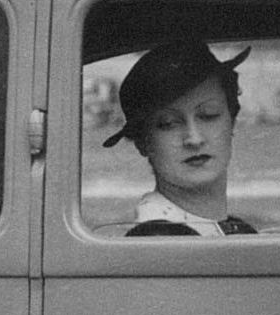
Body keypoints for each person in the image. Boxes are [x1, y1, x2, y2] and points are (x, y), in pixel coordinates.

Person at [106, 40, 258, 235]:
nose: (194, 139)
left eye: (208, 115)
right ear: (142, 142)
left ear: (232, 120)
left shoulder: (235, 230)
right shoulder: (159, 241)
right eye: (168, 123)